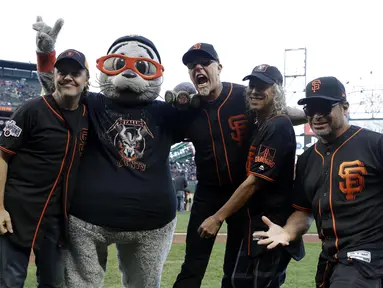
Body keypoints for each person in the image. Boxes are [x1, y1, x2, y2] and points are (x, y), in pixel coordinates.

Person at [173, 43, 307, 288]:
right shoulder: (187, 107)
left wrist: (315, 116)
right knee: (193, 262)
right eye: (193, 66)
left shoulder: (242, 95)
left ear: (219, 67)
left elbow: (281, 110)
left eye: (205, 63)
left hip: (241, 193)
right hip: (208, 191)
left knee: (234, 265)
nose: (198, 68)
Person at [253, 76, 383, 288]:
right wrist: (287, 231)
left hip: (367, 257)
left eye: (324, 107)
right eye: (310, 109)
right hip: (330, 259)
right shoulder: (307, 159)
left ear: (345, 107)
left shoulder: (374, 144)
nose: (317, 115)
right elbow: (303, 211)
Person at [0, 49, 89, 287]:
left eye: (76, 72)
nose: (68, 77)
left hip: (56, 220)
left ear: (86, 78)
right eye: (62, 72)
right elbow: (2, 156)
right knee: (8, 282)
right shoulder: (31, 109)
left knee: (54, 283)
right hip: (17, 212)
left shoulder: (89, 115)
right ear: (54, 76)